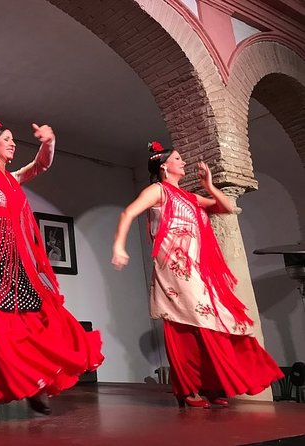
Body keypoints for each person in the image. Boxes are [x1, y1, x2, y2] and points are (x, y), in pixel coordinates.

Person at [0, 118, 104, 420]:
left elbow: (40, 166)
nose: (13, 144)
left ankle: (35, 384)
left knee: (30, 318)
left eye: (14, 139)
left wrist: (48, 142)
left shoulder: (12, 178)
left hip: (14, 261)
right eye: (8, 139)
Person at [111, 141, 283, 408]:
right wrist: (119, 247)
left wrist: (209, 184)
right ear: (164, 166)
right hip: (174, 267)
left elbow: (226, 207)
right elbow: (128, 212)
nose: (183, 163)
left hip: (196, 268)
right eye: (178, 159)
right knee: (190, 323)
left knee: (213, 320)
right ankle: (190, 388)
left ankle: (211, 384)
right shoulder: (158, 190)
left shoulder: (191, 197)